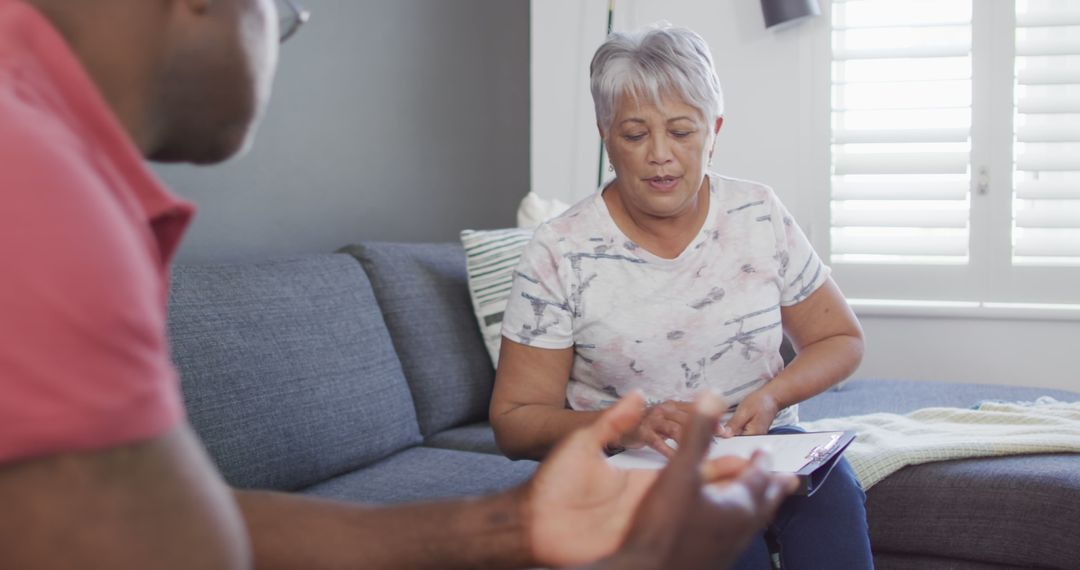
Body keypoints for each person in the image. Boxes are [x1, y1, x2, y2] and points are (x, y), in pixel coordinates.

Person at [0, 1, 798, 568]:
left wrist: (512, 526)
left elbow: (160, 523)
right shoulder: (37, 187)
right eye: (285, 15)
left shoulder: (40, 152)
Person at [490, 24, 875, 569]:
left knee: (832, 497)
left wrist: (770, 397)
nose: (660, 156)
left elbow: (841, 338)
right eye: (634, 134)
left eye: (680, 131)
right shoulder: (559, 249)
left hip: (762, 450)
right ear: (605, 133)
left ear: (713, 130)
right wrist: (627, 426)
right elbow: (514, 420)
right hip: (632, 472)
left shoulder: (758, 213)